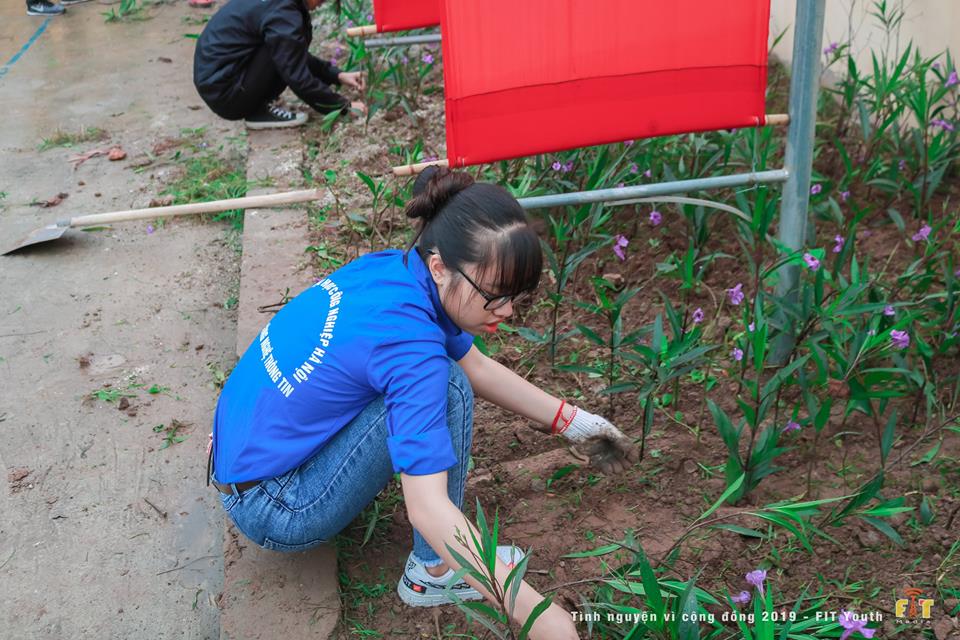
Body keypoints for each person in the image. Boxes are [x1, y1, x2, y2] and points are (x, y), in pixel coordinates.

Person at [208, 168, 638, 639]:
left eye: (516, 297)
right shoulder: (412, 349)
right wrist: (543, 619)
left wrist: (572, 421)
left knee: (448, 376)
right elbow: (428, 508)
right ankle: (432, 573)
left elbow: (476, 365)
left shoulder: (392, 271)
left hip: (239, 459)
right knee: (445, 385)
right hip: (279, 505)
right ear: (440, 266)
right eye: (495, 298)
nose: (508, 312)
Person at [193, 0, 366, 130]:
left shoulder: (281, 6)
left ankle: (256, 106)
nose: (322, 4)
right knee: (282, 52)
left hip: (221, 82)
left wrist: (336, 75)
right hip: (228, 95)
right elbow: (297, 76)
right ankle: (257, 112)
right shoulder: (283, 14)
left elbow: (291, 54)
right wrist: (343, 107)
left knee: (282, 49)